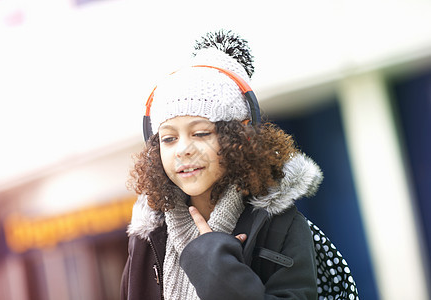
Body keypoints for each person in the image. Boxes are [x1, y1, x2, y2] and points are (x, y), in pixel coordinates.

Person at [120, 29, 323, 300]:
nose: (183, 150)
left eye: (201, 133)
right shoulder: (148, 236)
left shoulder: (280, 227)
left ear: (237, 138)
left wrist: (213, 261)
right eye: (168, 138)